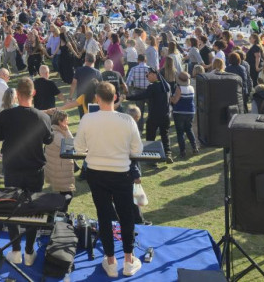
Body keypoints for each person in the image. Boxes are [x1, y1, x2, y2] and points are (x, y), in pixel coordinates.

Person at [74, 81, 143, 277]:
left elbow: (79, 149)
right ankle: (128, 260)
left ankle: (111, 261)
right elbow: (137, 150)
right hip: (121, 173)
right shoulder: (127, 120)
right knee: (126, 215)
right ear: (115, 97)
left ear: (97, 98)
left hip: (96, 174)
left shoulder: (88, 119)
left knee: (104, 216)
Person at [0, 78, 54, 267]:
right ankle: (28, 251)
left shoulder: (5, 115)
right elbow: (49, 139)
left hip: (13, 170)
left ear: (17, 94)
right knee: (32, 210)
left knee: (12, 208)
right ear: (33, 93)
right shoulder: (42, 117)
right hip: (34, 171)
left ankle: (17, 250)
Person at [126, 67, 174, 163]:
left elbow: (142, 96)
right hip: (166, 115)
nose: (147, 77)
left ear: (154, 75)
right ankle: (168, 153)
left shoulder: (152, 87)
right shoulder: (167, 85)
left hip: (154, 116)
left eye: (148, 75)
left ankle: (151, 160)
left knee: (150, 137)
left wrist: (127, 97)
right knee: (165, 135)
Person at [44, 110, 75, 209]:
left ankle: (59, 212)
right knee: (67, 196)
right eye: (66, 120)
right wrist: (67, 130)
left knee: (64, 195)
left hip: (58, 168)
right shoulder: (57, 135)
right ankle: (58, 212)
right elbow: (70, 146)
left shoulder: (54, 131)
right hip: (61, 171)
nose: (68, 122)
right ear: (60, 122)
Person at [169, 72, 198, 158]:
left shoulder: (179, 88)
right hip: (190, 112)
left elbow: (175, 101)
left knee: (180, 132)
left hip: (179, 112)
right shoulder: (191, 88)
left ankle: (183, 151)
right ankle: (194, 147)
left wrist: (169, 97)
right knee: (189, 130)